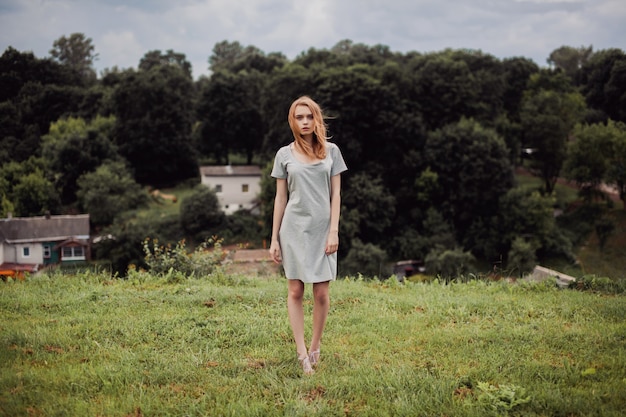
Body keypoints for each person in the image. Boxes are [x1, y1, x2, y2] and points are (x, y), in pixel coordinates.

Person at [269, 96, 348, 375]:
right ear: (292, 121)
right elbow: (280, 198)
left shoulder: (332, 152)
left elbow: (336, 194)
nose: (304, 122)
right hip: (293, 229)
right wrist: (274, 238)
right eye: (299, 117)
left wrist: (333, 231)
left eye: (309, 117)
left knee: (322, 293)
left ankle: (315, 347)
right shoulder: (284, 155)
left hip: (323, 230)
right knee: (295, 290)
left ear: (317, 119)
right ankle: (301, 354)